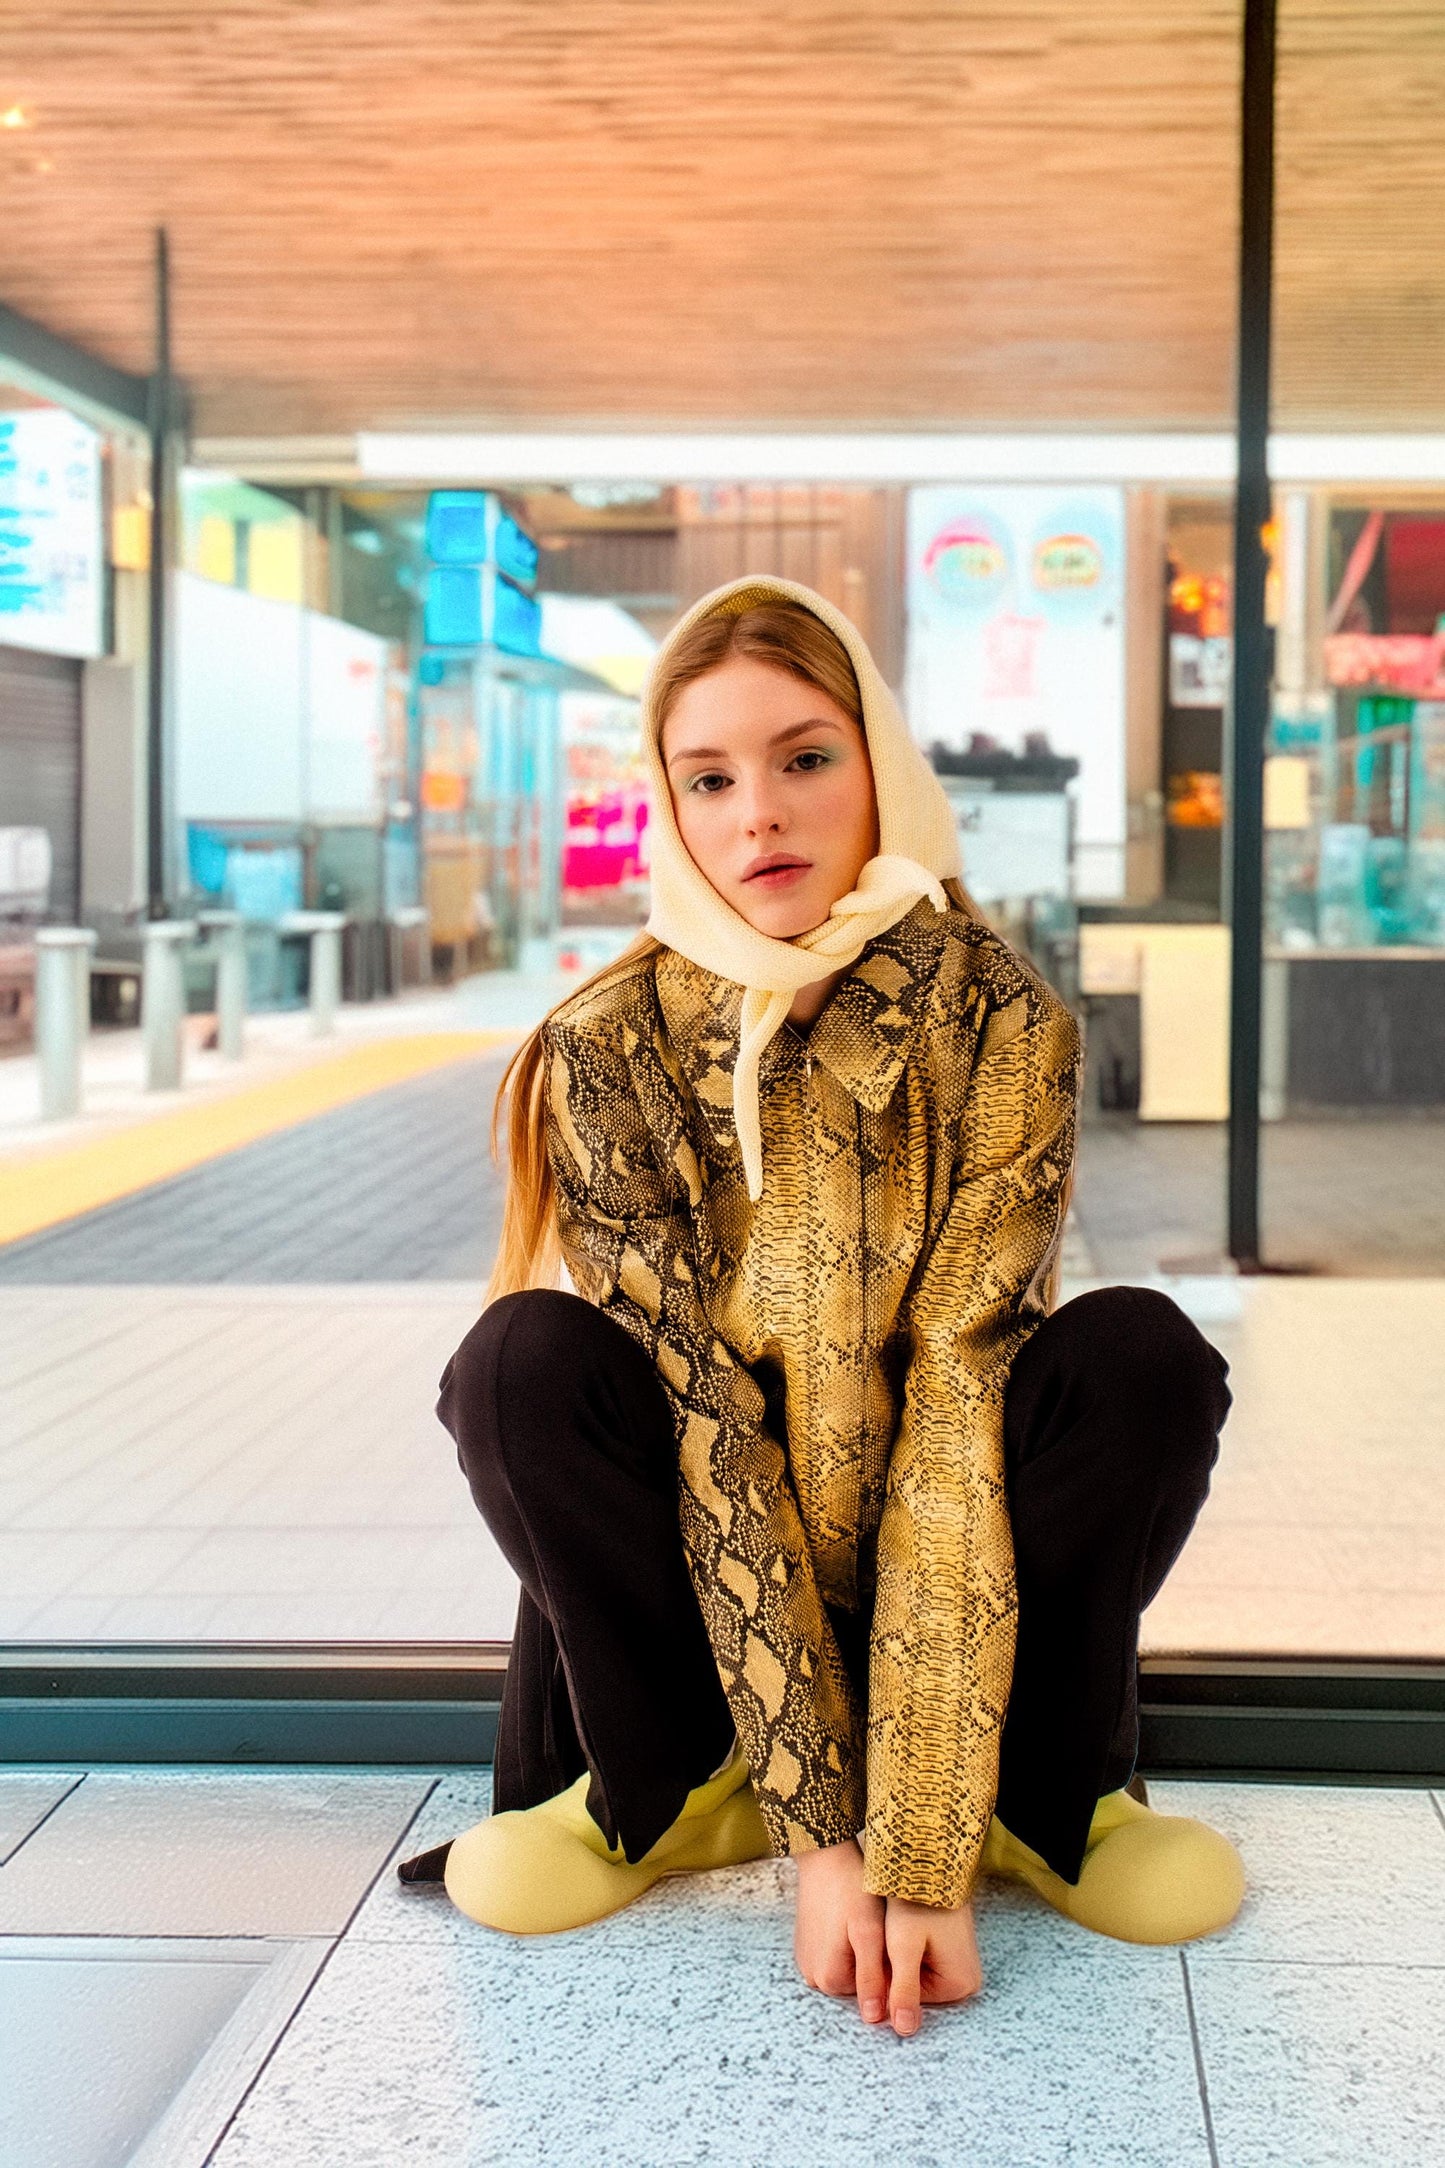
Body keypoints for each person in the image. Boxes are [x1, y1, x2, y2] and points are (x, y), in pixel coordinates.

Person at [398, 575, 1243, 2036]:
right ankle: (665, 1791)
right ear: (668, 805)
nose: (758, 817)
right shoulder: (605, 1043)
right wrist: (823, 1847)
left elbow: (957, 1390)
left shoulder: (1001, 1019)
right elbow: (702, 1428)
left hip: (953, 1547)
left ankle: (1037, 1807)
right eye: (708, 778)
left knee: (1139, 1356)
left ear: (880, 766)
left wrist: (920, 1865)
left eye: (803, 759)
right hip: (705, 1608)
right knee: (521, 1361)